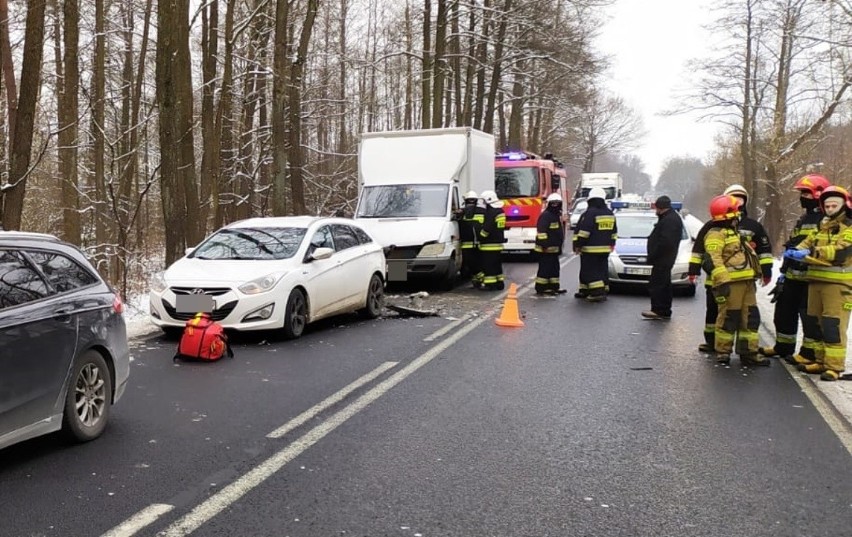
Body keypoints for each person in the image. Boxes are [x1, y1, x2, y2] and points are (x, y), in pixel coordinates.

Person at [690, 184, 773, 353]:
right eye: (735, 198)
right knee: (716, 313)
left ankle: (743, 349)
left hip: (743, 280)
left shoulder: (753, 226)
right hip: (718, 281)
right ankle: (713, 343)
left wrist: (766, 271)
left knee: (744, 316)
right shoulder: (712, 228)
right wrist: (693, 270)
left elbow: (764, 251)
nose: (739, 203)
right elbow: (700, 251)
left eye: (741, 198)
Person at [759, 174, 830, 364]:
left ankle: (809, 353)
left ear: (818, 194)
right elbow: (792, 246)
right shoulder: (804, 218)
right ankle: (783, 346)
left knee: (810, 318)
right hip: (792, 276)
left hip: (811, 278)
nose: (802, 197)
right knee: (783, 312)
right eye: (802, 193)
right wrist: (783, 273)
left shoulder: (826, 220)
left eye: (806, 193)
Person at [785, 186, 852, 381]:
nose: (830, 209)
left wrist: (812, 253)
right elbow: (808, 241)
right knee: (819, 324)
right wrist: (796, 249)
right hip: (816, 281)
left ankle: (834, 367)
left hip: (837, 285)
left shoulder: (848, 228)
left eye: (834, 205)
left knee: (833, 325)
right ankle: (821, 361)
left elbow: (841, 252)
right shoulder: (823, 225)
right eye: (828, 205)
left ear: (844, 205)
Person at [704, 194, 768, 367]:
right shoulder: (715, 234)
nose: (739, 215)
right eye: (736, 212)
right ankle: (723, 352)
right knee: (728, 318)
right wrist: (723, 281)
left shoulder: (732, 232)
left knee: (750, 318)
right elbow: (713, 259)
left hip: (747, 282)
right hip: (731, 284)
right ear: (729, 214)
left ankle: (749, 352)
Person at [641, 195, 683, 320]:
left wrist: (654, 254)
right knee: (661, 283)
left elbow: (665, 242)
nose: (655, 211)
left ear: (660, 208)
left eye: (656, 208)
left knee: (659, 284)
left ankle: (660, 310)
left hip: (663, 258)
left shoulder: (669, 220)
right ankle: (661, 309)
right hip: (664, 258)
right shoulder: (669, 218)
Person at [572, 187, 616, 302]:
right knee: (602, 270)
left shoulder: (590, 213)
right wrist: (612, 244)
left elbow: (584, 232)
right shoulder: (609, 213)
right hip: (605, 249)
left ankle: (597, 292)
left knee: (591, 271)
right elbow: (614, 232)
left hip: (590, 249)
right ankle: (588, 290)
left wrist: (578, 245)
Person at [535, 193, 566, 295]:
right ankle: (542, 288)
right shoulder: (546, 216)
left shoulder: (555, 215)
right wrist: (545, 246)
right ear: (549, 204)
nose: (555, 206)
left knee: (554, 269)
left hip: (554, 249)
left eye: (557, 203)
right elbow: (542, 232)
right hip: (546, 250)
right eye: (553, 203)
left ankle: (554, 287)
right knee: (545, 269)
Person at [478, 190, 506, 291]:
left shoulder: (491, 213)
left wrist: (480, 236)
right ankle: (499, 282)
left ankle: (490, 285)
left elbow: (487, 228)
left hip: (488, 244)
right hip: (498, 243)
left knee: (489, 265)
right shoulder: (500, 211)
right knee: (497, 265)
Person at [459, 190, 485, 288]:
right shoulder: (483, 211)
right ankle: (477, 281)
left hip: (467, 243)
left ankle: (478, 279)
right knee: (478, 263)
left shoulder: (462, 212)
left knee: (471, 264)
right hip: (480, 242)